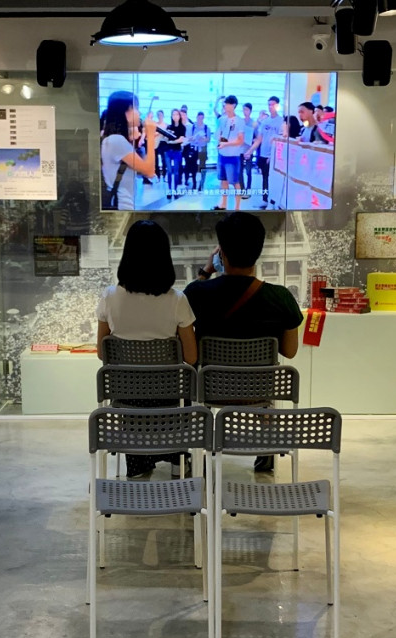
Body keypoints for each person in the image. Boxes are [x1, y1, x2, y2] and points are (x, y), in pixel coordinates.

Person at [185, 213, 304, 472]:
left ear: (222, 254)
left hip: (212, 388)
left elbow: (183, 314)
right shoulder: (280, 297)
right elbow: (290, 351)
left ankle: (199, 451)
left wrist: (206, 272)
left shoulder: (197, 293)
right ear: (258, 252)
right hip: (258, 390)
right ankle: (266, 450)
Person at [96, 221, 198, 478]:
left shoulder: (109, 297)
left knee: (135, 396)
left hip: (128, 396)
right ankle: (178, 461)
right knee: (179, 393)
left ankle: (138, 463)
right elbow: (191, 357)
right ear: (164, 257)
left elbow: (101, 352)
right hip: (169, 396)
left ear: (127, 256)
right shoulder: (177, 300)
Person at [100, 91, 157, 212]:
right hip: (122, 206)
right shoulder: (117, 140)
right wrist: (151, 136)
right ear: (126, 111)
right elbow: (150, 171)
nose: (139, 112)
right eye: (136, 108)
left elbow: (143, 170)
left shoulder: (113, 139)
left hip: (123, 204)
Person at [250, 96, 283, 210]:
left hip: (274, 156)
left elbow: (281, 141)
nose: (270, 107)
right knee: (264, 177)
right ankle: (265, 199)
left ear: (277, 105)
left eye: (273, 104)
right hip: (263, 154)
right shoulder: (265, 122)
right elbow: (259, 139)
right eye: (269, 104)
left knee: (273, 179)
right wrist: (250, 151)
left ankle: (273, 201)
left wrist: (273, 156)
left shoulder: (281, 121)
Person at [214, 95, 246, 212]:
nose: (225, 106)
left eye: (227, 104)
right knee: (223, 180)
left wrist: (226, 144)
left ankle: (237, 207)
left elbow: (240, 140)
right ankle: (223, 204)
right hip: (222, 154)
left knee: (235, 182)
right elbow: (219, 134)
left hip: (233, 156)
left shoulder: (239, 121)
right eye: (225, 104)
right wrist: (219, 142)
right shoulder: (222, 119)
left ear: (233, 106)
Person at [162, 109, 189, 201]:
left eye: (177, 114)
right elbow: (165, 139)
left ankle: (176, 190)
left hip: (177, 151)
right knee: (169, 172)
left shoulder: (182, 128)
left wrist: (171, 141)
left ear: (179, 116)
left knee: (177, 172)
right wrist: (167, 139)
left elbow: (181, 139)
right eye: (173, 114)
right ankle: (170, 190)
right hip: (168, 151)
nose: (175, 116)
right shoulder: (169, 127)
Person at [185, 112, 210, 193]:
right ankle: (194, 183)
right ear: (196, 118)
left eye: (202, 118)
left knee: (202, 166)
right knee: (193, 167)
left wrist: (204, 139)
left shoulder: (206, 128)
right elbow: (188, 138)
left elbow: (208, 139)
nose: (200, 120)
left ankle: (201, 184)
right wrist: (193, 138)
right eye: (199, 118)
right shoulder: (192, 127)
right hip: (194, 149)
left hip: (203, 149)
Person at [238, 102, 258, 198]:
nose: (244, 111)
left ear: (250, 111)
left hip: (249, 150)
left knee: (248, 171)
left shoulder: (253, 123)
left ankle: (248, 189)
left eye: (246, 109)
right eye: (243, 109)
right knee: (239, 171)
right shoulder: (240, 121)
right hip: (240, 150)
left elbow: (257, 138)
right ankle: (242, 190)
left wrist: (251, 140)